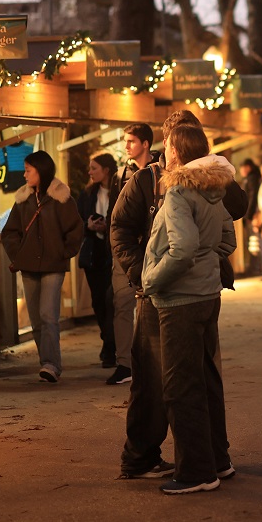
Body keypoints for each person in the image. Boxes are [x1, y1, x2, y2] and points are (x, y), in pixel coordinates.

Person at [112, 109, 246, 482]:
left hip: (186, 293)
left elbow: (236, 210)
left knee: (191, 380)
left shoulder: (205, 181)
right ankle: (142, 455)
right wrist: (145, 274)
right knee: (156, 381)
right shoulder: (145, 182)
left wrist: (215, 171)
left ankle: (210, 459)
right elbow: (120, 227)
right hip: (157, 291)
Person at [141, 123, 237, 495]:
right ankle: (218, 461)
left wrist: (151, 279)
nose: (162, 152)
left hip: (179, 299)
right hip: (206, 297)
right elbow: (226, 239)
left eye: (165, 145)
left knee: (181, 386)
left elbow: (181, 248)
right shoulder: (213, 188)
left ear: (177, 152)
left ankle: (197, 472)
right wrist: (205, 264)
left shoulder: (179, 191)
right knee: (205, 380)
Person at [1, 150, 84, 383]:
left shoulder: (61, 198)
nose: (25, 175)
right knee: (37, 319)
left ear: (41, 171)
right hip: (28, 266)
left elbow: (76, 230)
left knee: (48, 314)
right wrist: (19, 254)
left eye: (29, 170)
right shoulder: (23, 199)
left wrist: (63, 253)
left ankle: (51, 364)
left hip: (53, 266)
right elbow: (9, 232)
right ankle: (45, 362)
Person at [108, 123, 160, 384]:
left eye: (131, 141)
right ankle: (124, 364)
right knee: (122, 305)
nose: (126, 146)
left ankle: (149, 361)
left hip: (154, 247)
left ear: (146, 144)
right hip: (126, 249)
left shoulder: (160, 171)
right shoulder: (121, 175)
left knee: (149, 305)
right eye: (125, 141)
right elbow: (115, 216)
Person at [78, 152, 119, 370]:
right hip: (94, 255)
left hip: (114, 253)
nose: (90, 172)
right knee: (99, 303)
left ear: (106, 170)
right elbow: (78, 220)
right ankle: (108, 344)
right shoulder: (87, 194)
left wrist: (109, 226)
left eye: (94, 168)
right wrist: (89, 226)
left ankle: (112, 347)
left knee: (112, 301)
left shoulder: (121, 190)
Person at [239, 159, 262, 276]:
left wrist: (248, 214)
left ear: (248, 167)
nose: (241, 171)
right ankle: (255, 267)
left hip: (252, 215)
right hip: (249, 214)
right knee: (253, 241)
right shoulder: (249, 178)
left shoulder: (252, 178)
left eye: (243, 168)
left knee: (254, 241)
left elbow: (252, 197)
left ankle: (256, 267)